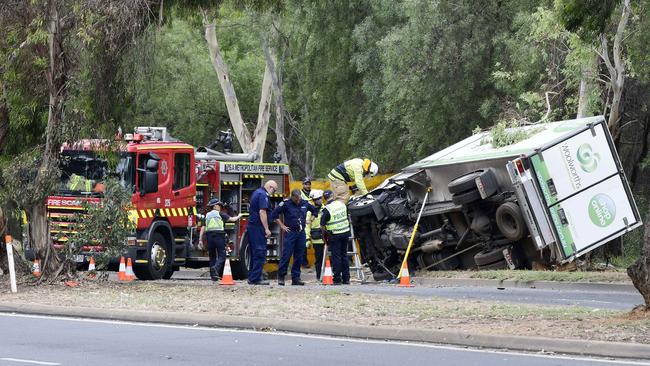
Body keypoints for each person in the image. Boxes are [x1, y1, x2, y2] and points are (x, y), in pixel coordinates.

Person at [271, 189, 319, 285]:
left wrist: (312, 219)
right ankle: (281, 276)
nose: (297, 201)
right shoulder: (286, 204)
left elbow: (315, 210)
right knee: (287, 255)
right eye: (295, 199)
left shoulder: (305, 203)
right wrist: (282, 226)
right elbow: (274, 214)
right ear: (292, 197)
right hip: (290, 233)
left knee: (299, 256)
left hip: (301, 233)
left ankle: (296, 278)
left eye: (299, 199)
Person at [199, 199, 243, 281]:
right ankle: (215, 269)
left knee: (212, 256)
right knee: (222, 255)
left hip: (209, 237)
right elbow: (232, 219)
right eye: (219, 205)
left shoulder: (207, 215)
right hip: (219, 236)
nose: (220, 207)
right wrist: (239, 215)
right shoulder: (220, 214)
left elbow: (203, 228)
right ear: (215, 206)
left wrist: (200, 240)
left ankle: (213, 276)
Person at [246, 180, 278, 285]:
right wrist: (266, 228)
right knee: (260, 252)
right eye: (274, 190)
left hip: (253, 227)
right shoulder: (263, 195)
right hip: (257, 227)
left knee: (254, 253)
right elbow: (262, 212)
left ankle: (252, 277)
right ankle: (255, 278)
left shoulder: (257, 192)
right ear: (270, 187)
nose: (274, 193)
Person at [320, 190, 351, 285]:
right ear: (332, 196)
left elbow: (322, 225)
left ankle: (337, 279)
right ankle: (346, 279)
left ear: (324, 199)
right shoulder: (341, 204)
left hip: (335, 235)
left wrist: (324, 235)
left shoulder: (327, 209)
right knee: (344, 255)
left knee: (336, 257)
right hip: (345, 232)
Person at [306, 189, 326, 280]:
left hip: (327, 237)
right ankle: (319, 276)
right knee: (319, 258)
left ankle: (330, 274)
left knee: (331, 257)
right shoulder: (310, 212)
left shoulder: (326, 209)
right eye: (317, 199)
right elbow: (307, 225)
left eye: (320, 198)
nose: (319, 200)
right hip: (316, 238)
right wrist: (307, 239)